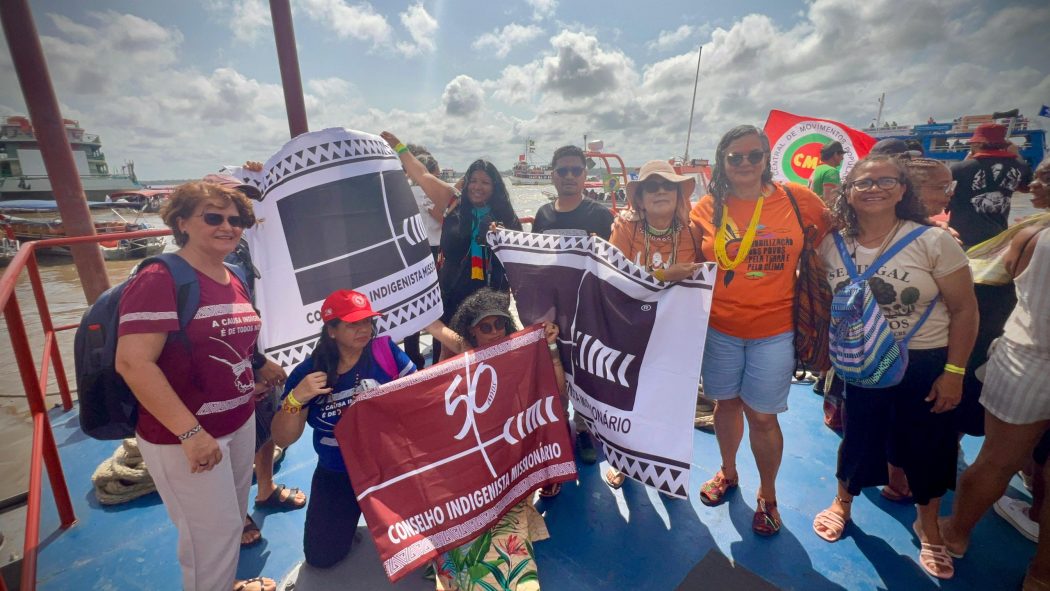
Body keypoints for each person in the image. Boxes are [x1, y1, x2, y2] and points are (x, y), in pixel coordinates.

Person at [811, 155, 978, 581]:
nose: (873, 189)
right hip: (861, 356)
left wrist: (954, 372)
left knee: (929, 441)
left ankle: (928, 525)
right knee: (858, 434)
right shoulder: (834, 244)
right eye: (862, 183)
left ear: (903, 190)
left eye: (885, 181)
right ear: (847, 193)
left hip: (923, 358)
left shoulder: (934, 242)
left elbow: (964, 309)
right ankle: (842, 502)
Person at [115, 181, 275, 591]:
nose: (228, 226)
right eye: (213, 216)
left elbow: (230, 338)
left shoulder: (234, 274)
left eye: (236, 219)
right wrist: (191, 433)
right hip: (186, 434)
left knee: (232, 515)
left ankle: (225, 584)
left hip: (239, 421)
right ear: (182, 221)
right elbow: (133, 362)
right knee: (212, 537)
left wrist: (259, 364)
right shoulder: (159, 276)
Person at [688, 125, 829, 535]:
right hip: (720, 329)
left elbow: (846, 233)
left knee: (763, 416)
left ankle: (767, 495)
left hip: (775, 329)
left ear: (767, 158)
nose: (745, 163)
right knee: (725, 405)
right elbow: (683, 253)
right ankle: (728, 473)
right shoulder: (708, 207)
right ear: (722, 162)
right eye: (735, 157)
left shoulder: (797, 200)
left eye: (754, 155)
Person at [943, 182, 1050, 591]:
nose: (1032, 184)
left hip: (1029, 359)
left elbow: (993, 275)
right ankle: (1040, 574)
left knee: (996, 460)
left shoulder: (1032, 235)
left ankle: (955, 534)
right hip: (1031, 360)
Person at [425, 288, 563, 589]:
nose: (494, 332)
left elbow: (558, 398)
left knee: (507, 545)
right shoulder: (463, 351)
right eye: (485, 327)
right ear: (471, 332)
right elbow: (434, 328)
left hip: (511, 459)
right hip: (474, 465)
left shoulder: (519, 352)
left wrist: (550, 347)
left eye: (499, 324)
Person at [272, 289, 416, 569]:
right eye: (353, 324)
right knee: (322, 558)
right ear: (332, 330)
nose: (364, 329)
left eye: (368, 321)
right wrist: (295, 398)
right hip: (338, 471)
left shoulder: (385, 352)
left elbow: (419, 402)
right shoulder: (307, 373)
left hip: (390, 467)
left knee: (415, 549)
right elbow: (282, 437)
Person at [206, 168, 307, 546]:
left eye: (240, 207)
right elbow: (211, 332)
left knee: (264, 432)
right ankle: (237, 516)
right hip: (233, 369)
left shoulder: (249, 244)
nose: (231, 217)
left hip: (263, 354)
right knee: (228, 448)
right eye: (216, 211)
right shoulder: (187, 264)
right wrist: (253, 367)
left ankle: (264, 489)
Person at [607, 159, 710, 455]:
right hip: (631, 330)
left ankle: (663, 458)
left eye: (668, 186)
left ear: (679, 194)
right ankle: (624, 460)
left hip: (675, 334)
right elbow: (615, 280)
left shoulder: (694, 231)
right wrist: (666, 275)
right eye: (652, 187)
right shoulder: (625, 228)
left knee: (670, 399)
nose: (661, 191)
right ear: (639, 198)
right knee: (630, 397)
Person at [531, 145, 615, 465]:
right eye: (562, 170)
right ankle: (556, 427)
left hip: (587, 310)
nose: (569, 176)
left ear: (584, 175)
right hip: (552, 311)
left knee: (583, 373)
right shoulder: (542, 215)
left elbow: (612, 264)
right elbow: (533, 262)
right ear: (553, 174)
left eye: (575, 170)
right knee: (554, 372)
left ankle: (582, 430)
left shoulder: (599, 214)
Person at [379, 131, 458, 366]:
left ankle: (412, 356)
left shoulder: (400, 193)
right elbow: (444, 218)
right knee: (436, 308)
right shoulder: (437, 193)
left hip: (409, 252)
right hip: (436, 253)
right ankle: (437, 357)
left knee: (414, 306)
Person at [438, 160, 522, 336]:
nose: (477, 186)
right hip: (452, 294)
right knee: (450, 352)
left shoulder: (506, 217)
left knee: (489, 347)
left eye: (485, 182)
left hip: (491, 297)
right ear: (466, 183)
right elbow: (422, 176)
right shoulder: (454, 209)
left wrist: (501, 236)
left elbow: (519, 257)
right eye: (473, 181)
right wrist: (399, 148)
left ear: (494, 187)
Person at [949, 123, 1032, 249]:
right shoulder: (1020, 166)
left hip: (962, 238)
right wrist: (1017, 155)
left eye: (972, 144)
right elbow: (1028, 188)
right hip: (997, 238)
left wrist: (966, 161)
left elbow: (945, 197)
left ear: (978, 144)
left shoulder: (959, 168)